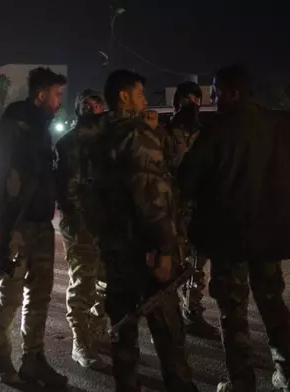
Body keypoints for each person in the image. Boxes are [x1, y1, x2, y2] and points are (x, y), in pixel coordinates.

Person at [178, 64, 290, 392]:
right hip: (271, 236)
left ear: (232, 93)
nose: (214, 98)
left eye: (217, 92)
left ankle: (242, 382)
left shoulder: (216, 131)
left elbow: (187, 181)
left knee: (233, 312)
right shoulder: (281, 126)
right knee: (273, 303)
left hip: (229, 239)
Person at [98, 69, 197, 392]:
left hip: (114, 250)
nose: (144, 99)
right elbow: (151, 196)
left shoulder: (99, 134)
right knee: (168, 332)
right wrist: (165, 250)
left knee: (124, 334)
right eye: (140, 93)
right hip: (146, 253)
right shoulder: (137, 135)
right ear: (124, 96)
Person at [0, 67, 68, 388]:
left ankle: (34, 360)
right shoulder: (12, 124)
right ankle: (0, 358)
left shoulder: (42, 128)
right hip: (14, 226)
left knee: (40, 295)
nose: (60, 101)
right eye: (57, 95)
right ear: (41, 95)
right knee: (10, 294)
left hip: (41, 224)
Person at [54, 89, 108, 370]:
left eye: (97, 105)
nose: (92, 109)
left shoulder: (109, 141)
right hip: (80, 225)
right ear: (78, 109)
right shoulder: (68, 143)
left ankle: (98, 330)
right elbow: (67, 192)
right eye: (86, 105)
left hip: (107, 223)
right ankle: (81, 341)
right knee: (84, 283)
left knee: (108, 281)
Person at [163, 81, 220, 340]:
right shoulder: (163, 134)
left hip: (200, 210)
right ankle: (168, 316)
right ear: (177, 103)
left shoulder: (205, 134)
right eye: (187, 100)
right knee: (173, 264)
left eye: (196, 100)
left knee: (198, 265)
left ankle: (192, 312)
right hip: (173, 212)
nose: (192, 105)